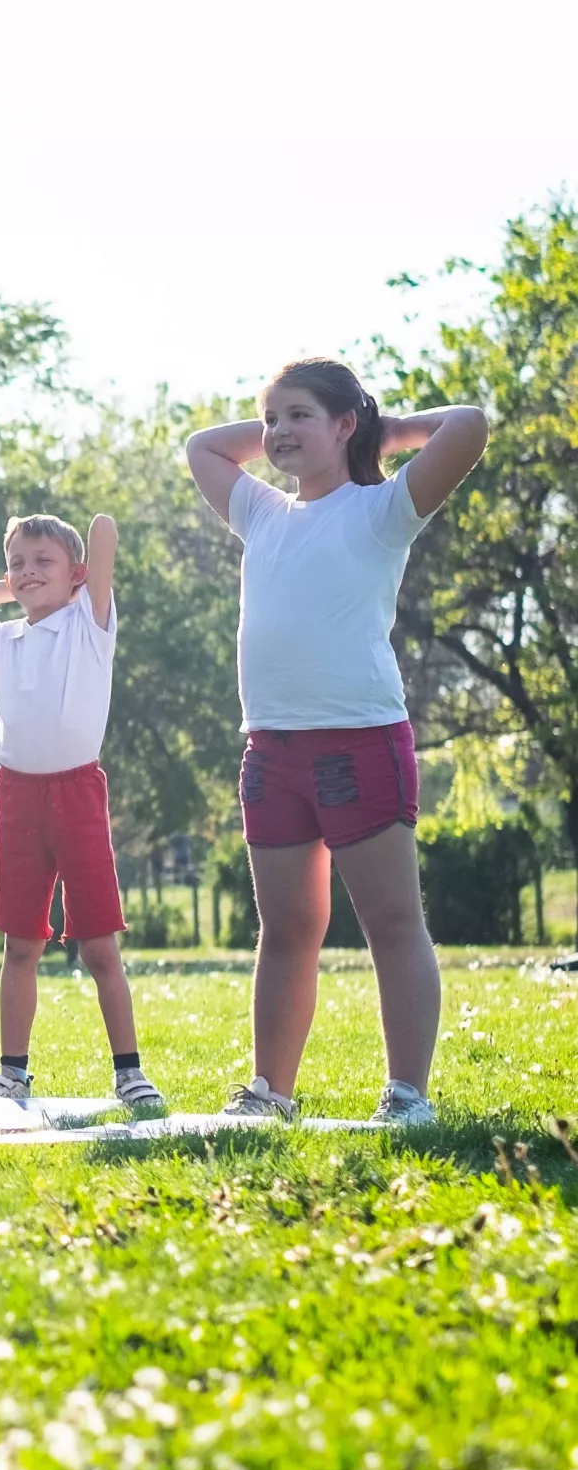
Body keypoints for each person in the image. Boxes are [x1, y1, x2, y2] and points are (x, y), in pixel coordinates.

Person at [185, 358, 488, 1125]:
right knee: (285, 930)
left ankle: (408, 1095)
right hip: (272, 751)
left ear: (346, 425)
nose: (278, 432)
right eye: (270, 419)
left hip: (359, 745)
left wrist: (380, 428)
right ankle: (269, 1093)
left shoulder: (384, 508)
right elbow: (201, 447)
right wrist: (290, 422)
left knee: (391, 922)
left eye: (298, 417)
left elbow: (470, 426)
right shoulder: (261, 513)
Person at [0, 513, 166, 1116]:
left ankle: (129, 1072)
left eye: (43, 562)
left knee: (99, 947)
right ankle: (12, 1072)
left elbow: (105, 530)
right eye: (18, 564)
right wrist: (12, 584)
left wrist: (80, 575)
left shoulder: (89, 625)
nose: (28, 573)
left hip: (77, 794)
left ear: (78, 577)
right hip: (17, 796)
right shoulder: (2, 639)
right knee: (20, 944)